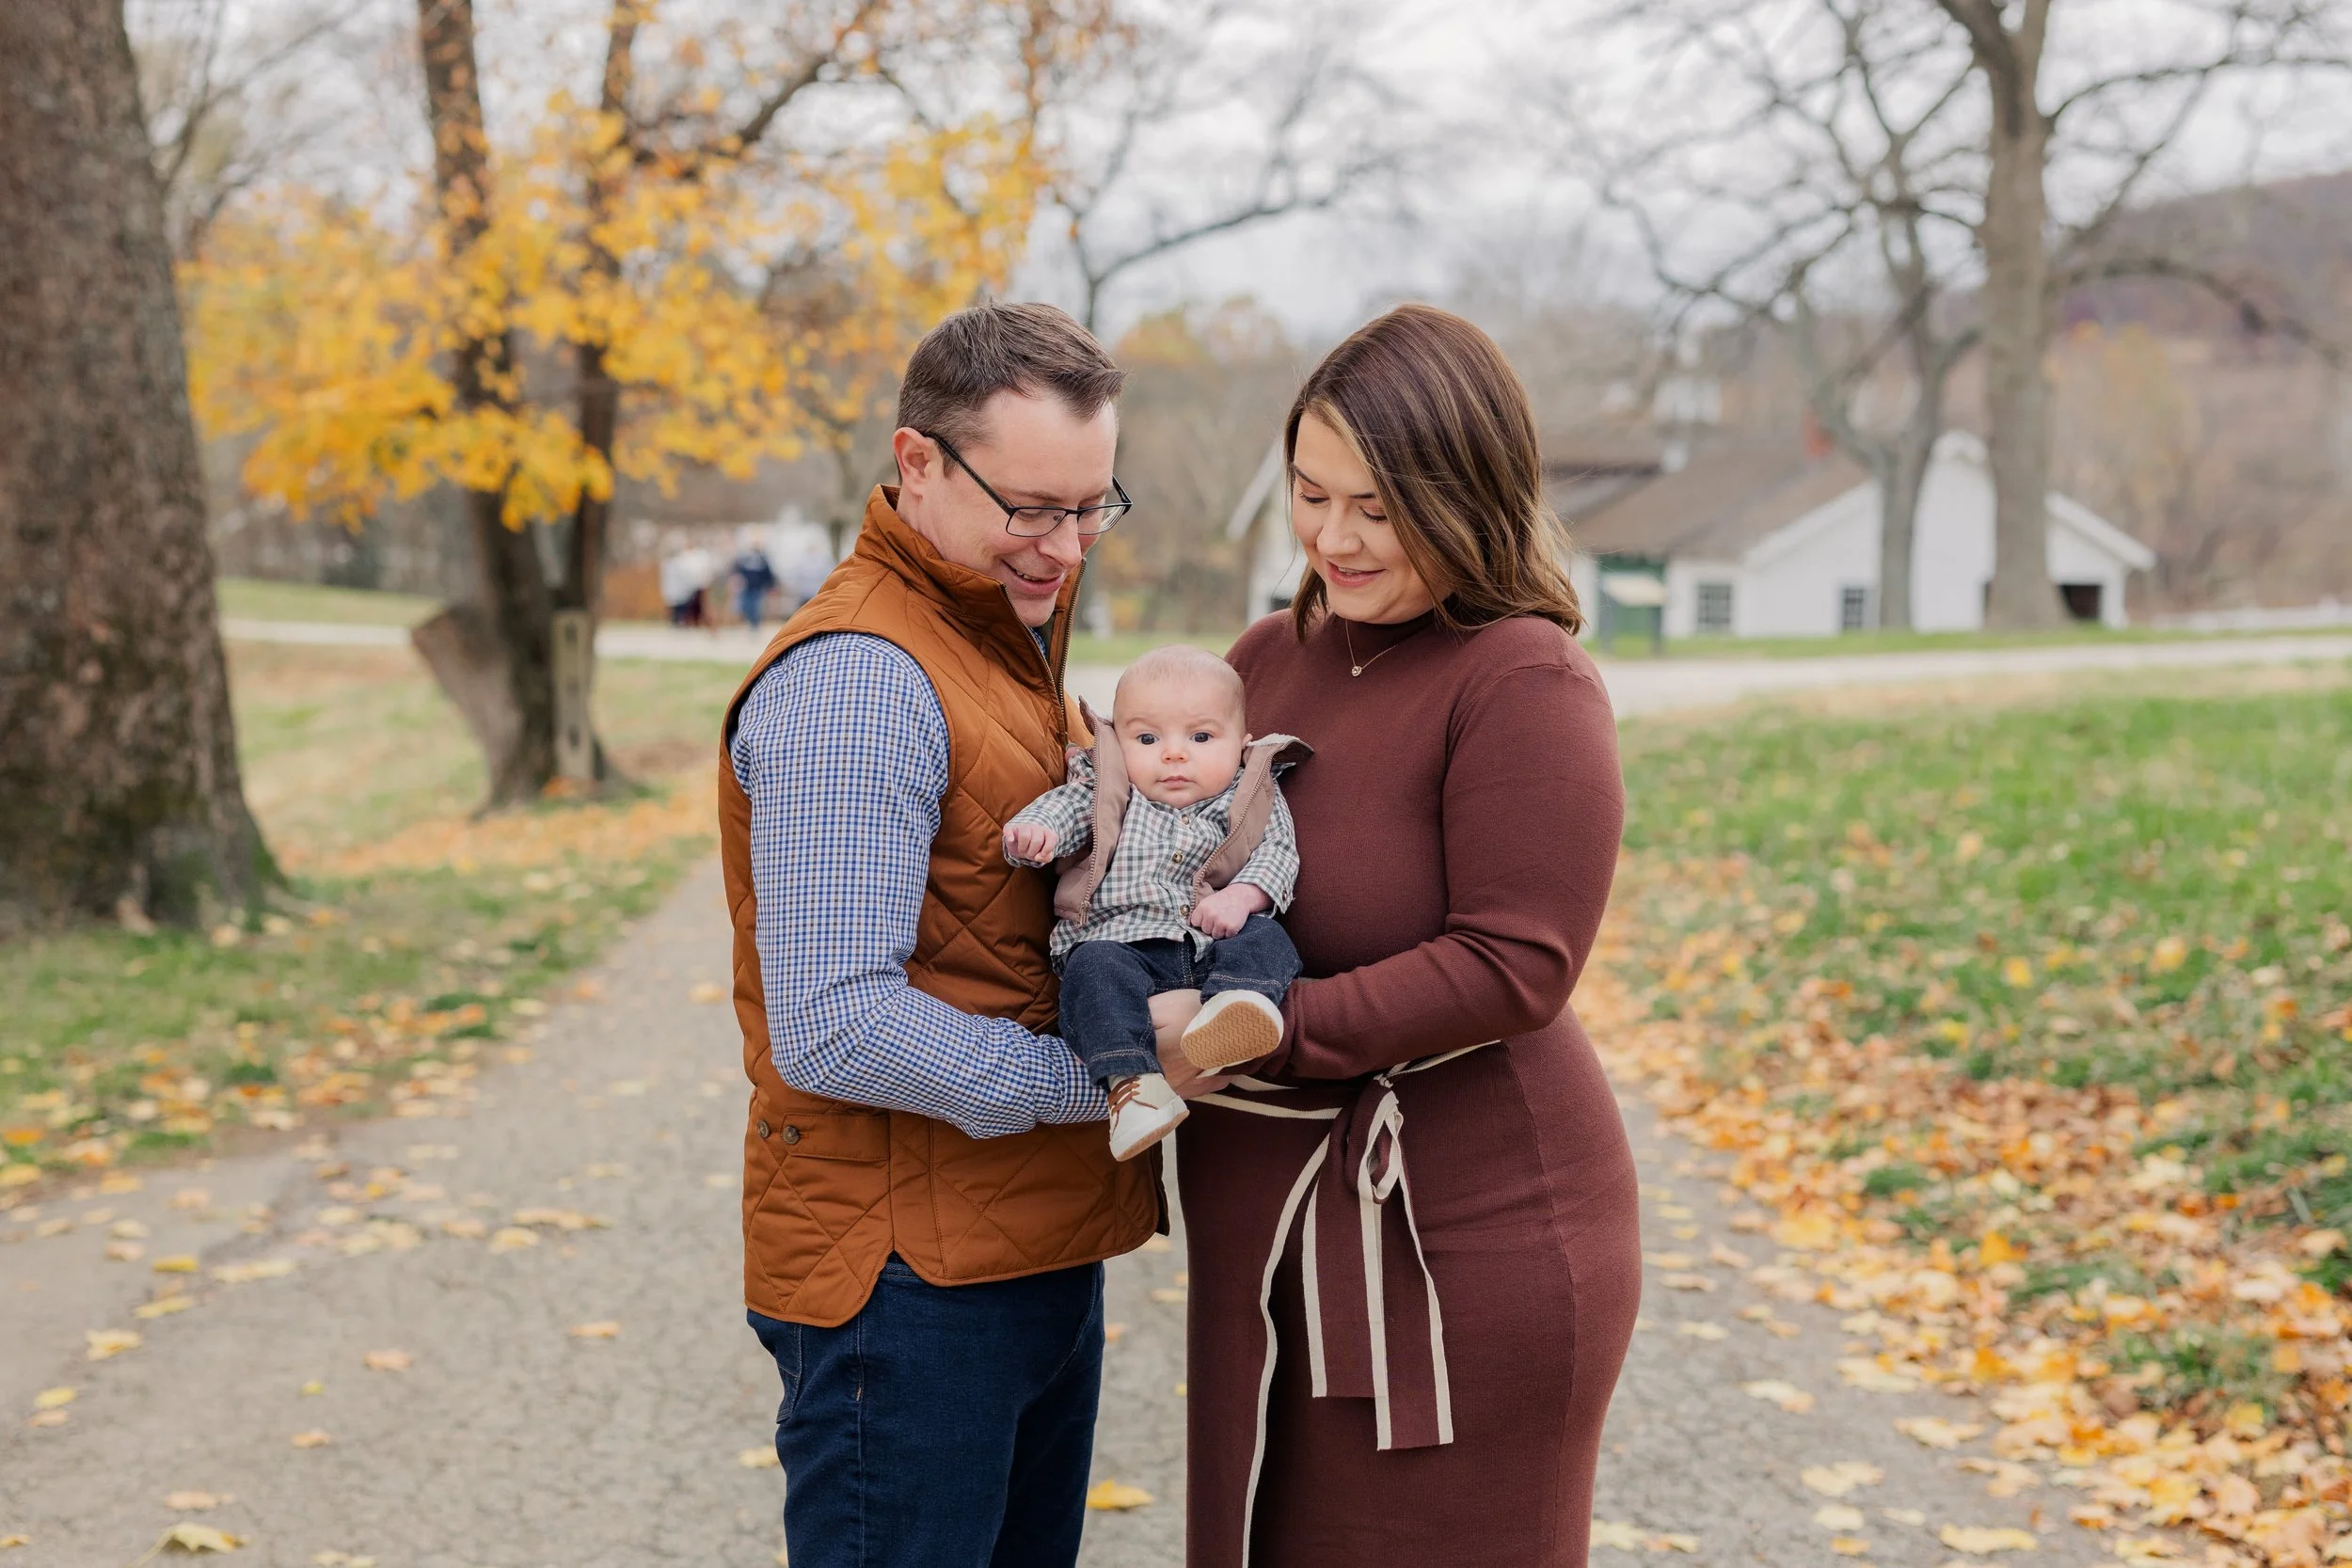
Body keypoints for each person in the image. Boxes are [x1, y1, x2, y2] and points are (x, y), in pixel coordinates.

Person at [1168, 304, 1642, 1567]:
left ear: (1467, 493)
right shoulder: (1266, 658)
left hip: (1462, 1240)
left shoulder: (1521, 677)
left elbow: (1518, 961)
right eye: (1311, 494)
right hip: (1263, 1229)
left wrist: (1260, 1029)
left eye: (1376, 506)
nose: (1333, 536)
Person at [717, 302, 1159, 1568]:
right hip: (906, 1288)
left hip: (1015, 1250)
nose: (1066, 548)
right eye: (1031, 508)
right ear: (918, 464)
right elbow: (835, 1022)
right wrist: (1112, 1073)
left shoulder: (995, 640)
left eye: (1090, 507)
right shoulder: (863, 679)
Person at [1001, 643, 1307, 1161]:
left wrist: (1241, 896)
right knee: (1090, 976)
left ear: (1242, 742)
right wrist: (1036, 834)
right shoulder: (1108, 788)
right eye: (1147, 738)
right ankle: (1132, 1089)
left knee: (1266, 936)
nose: (1174, 754)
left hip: (1208, 938)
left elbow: (1279, 853)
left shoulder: (1251, 793)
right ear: (1119, 742)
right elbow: (1063, 812)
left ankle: (1239, 1004)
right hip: (1116, 941)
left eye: (1201, 737)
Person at [731, 530, 778, 627]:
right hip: (746, 586)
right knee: (745, 606)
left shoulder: (763, 557)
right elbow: (736, 569)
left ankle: (755, 625)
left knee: (756, 607)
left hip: (758, 586)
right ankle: (749, 622)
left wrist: (771, 585)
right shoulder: (744, 556)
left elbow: (768, 572)